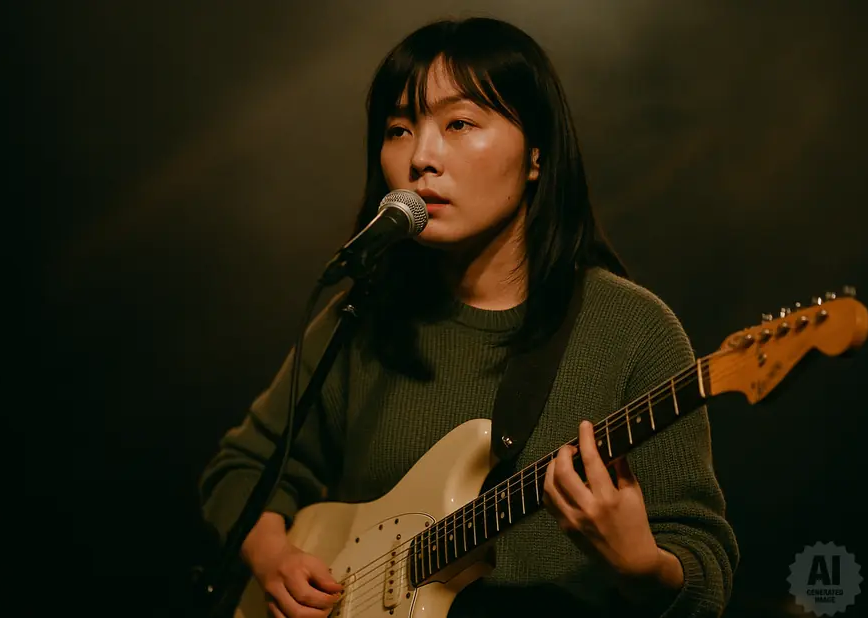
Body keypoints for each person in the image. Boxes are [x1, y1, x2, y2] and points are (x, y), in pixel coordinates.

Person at [198, 16, 739, 618]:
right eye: (399, 129)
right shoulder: (365, 317)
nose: (422, 157)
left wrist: (642, 566)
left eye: (459, 124)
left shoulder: (634, 330)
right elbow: (242, 468)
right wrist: (275, 559)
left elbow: (706, 574)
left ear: (537, 155)